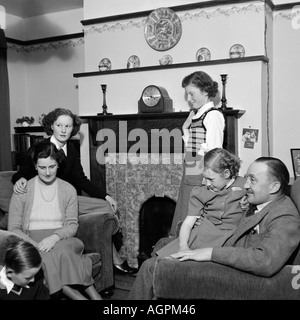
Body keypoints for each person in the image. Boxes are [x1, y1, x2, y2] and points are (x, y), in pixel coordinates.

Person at [128, 157, 300, 299]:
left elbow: (265, 261)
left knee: (152, 267)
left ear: (274, 187)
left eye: (252, 180)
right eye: (246, 178)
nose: (246, 185)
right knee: (162, 244)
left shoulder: (285, 216)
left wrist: (209, 253)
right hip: (226, 254)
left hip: (233, 274)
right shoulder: (261, 203)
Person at [12, 108, 137, 297]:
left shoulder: (70, 148)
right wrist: (20, 180)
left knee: (105, 207)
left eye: (68, 126)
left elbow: (81, 179)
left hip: (67, 195)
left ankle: (114, 257)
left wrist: (106, 195)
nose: (63, 130)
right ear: (51, 126)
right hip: (44, 198)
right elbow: (21, 174)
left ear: (73, 128)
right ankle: (115, 260)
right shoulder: (40, 148)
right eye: (59, 125)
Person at [8, 141, 102, 300]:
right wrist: (33, 244)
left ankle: (94, 297)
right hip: (31, 239)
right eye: (42, 167)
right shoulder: (22, 190)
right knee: (45, 256)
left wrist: (54, 237)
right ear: (35, 166)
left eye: (51, 167)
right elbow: (14, 227)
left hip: (61, 237)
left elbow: (72, 224)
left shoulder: (68, 189)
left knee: (64, 251)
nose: (47, 172)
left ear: (58, 164)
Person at [155, 148, 246, 257]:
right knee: (165, 259)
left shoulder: (245, 185)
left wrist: (248, 205)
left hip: (232, 236)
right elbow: (188, 223)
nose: (207, 184)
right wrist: (183, 246)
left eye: (211, 179)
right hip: (204, 234)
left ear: (226, 173)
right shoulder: (200, 192)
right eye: (205, 178)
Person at [170, 71, 225, 236]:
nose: (188, 99)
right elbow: (193, 149)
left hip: (201, 175)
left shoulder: (213, 115)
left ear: (205, 92)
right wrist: (185, 129)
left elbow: (215, 153)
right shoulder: (196, 115)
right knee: (185, 216)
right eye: (187, 94)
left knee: (195, 222)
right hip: (191, 172)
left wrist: (207, 183)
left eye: (191, 93)